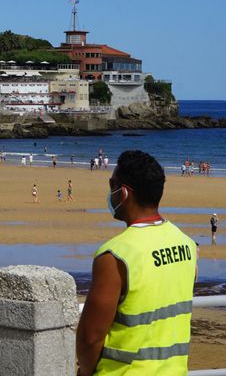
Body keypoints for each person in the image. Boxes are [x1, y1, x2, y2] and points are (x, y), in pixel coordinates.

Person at [76, 150, 196, 376]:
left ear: (123, 192)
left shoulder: (114, 255)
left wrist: (85, 372)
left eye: (112, 184)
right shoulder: (187, 244)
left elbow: (90, 338)